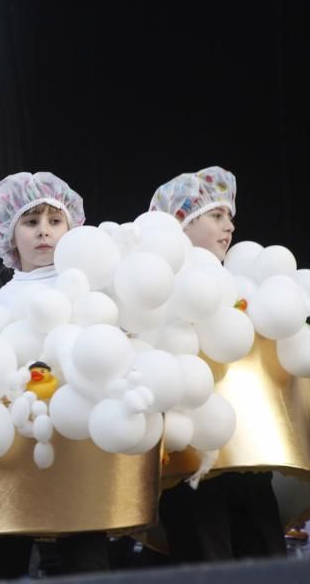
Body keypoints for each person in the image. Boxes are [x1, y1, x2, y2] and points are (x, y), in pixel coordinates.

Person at [149, 166, 286, 563]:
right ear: (181, 220)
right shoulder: (158, 287)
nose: (229, 227)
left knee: (267, 558)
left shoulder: (245, 285)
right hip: (189, 464)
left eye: (230, 218)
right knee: (207, 560)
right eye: (216, 216)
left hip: (246, 454)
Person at [0, 172, 110, 579]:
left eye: (55, 222)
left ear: (72, 229)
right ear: (9, 233)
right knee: (7, 553)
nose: (44, 233)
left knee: (84, 554)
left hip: (77, 440)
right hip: (15, 447)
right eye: (31, 222)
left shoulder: (91, 291)